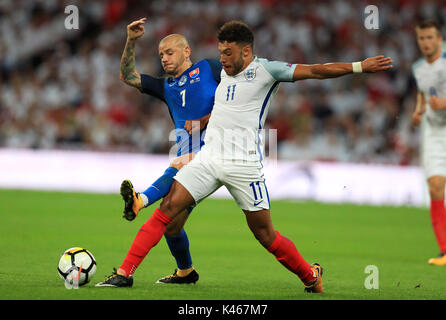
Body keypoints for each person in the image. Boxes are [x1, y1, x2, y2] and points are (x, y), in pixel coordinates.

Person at [97, 20, 392, 292]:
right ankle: (125, 272)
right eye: (220, 53)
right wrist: (201, 124)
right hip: (209, 157)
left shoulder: (267, 70)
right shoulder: (222, 73)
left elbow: (315, 70)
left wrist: (358, 67)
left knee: (266, 236)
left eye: (227, 53)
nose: (222, 60)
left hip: (244, 165)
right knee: (167, 210)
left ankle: (311, 277)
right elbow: (224, 108)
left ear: (246, 51)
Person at [97, 17, 221, 286]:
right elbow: (127, 76)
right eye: (161, 54)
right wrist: (131, 40)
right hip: (188, 158)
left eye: (169, 52)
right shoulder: (166, 86)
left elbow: (236, 94)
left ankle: (141, 201)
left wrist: (206, 119)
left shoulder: (210, 68)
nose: (164, 58)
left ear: (186, 51)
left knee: (177, 171)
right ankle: (186, 272)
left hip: (216, 152)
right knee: (173, 226)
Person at [411, 20, 446, 266]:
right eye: (422, 38)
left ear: (440, 39)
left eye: (430, 37)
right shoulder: (418, 68)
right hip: (434, 131)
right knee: (435, 187)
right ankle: (445, 252)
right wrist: (419, 110)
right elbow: (423, 91)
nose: (426, 42)